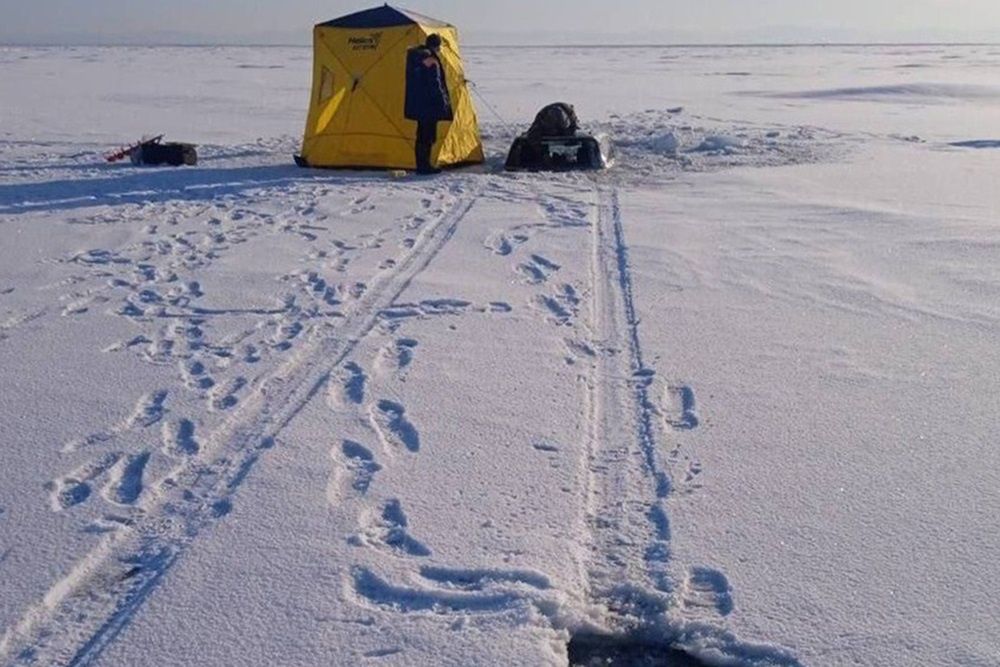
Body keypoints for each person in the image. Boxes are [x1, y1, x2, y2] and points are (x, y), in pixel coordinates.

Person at [404, 34, 453, 174]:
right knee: (428, 136)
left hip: (419, 104)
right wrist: (442, 101)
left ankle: (421, 164)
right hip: (430, 105)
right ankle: (425, 166)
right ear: (436, 46)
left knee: (421, 135)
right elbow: (434, 83)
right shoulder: (431, 60)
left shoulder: (416, 58)